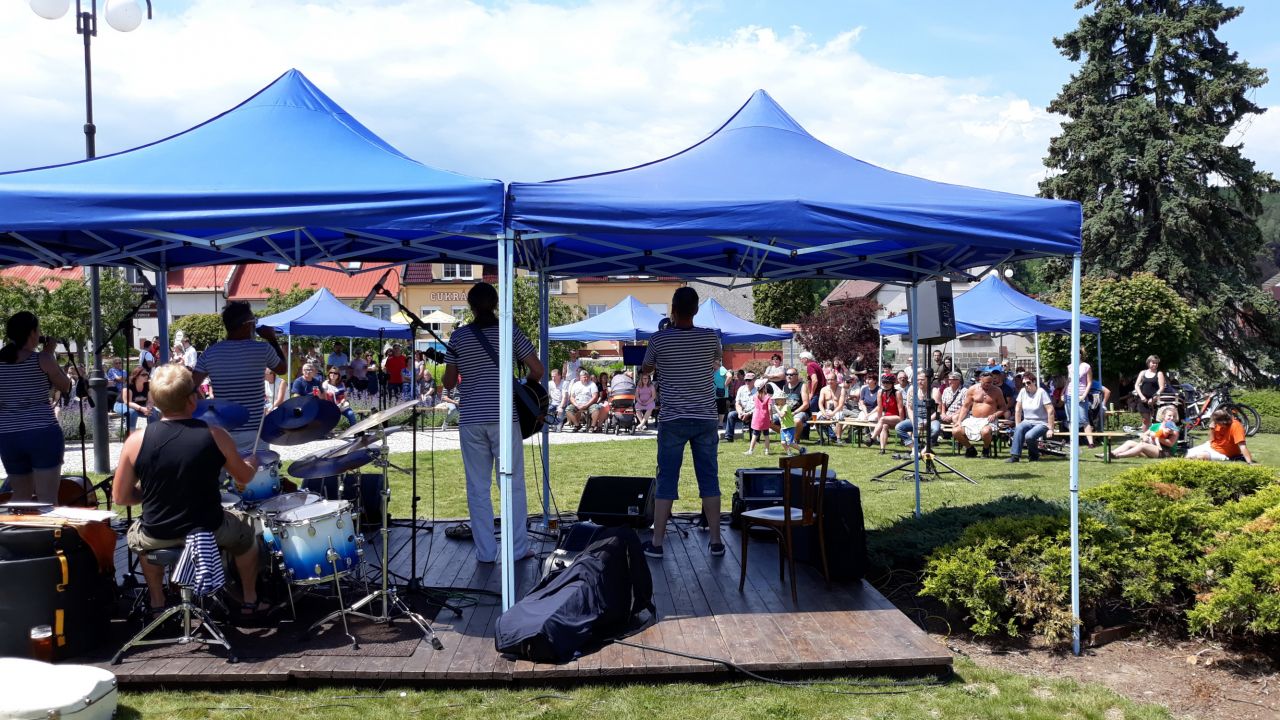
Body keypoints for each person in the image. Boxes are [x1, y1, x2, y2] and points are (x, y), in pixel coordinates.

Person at [112, 364, 269, 618]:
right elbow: (244, 477)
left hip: (157, 531)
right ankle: (249, 600)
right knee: (247, 534)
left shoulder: (135, 441)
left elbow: (120, 497)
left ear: (156, 402)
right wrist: (252, 462)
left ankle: (157, 604)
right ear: (192, 399)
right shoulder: (216, 435)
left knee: (142, 542)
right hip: (208, 528)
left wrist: (146, 493)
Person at [443, 282, 544, 564]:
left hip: (471, 418)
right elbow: (537, 369)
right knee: (511, 484)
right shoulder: (509, 331)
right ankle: (517, 549)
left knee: (477, 487)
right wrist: (523, 385)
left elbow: (449, 382)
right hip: (504, 417)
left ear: (470, 306)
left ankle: (486, 553)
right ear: (496, 303)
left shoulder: (458, 337)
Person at [640, 286, 724, 559]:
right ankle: (716, 541)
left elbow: (646, 369)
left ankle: (657, 543)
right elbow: (715, 363)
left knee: (666, 478)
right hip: (705, 416)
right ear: (697, 310)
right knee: (709, 478)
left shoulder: (658, 339)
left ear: (673, 310)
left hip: (673, 418)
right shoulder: (710, 337)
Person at [191, 301, 288, 455]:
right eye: (254, 321)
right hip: (256, 432)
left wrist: (207, 406)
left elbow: (189, 386)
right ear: (246, 324)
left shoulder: (210, 353)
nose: (254, 326)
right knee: (257, 470)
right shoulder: (262, 349)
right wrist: (272, 338)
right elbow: (283, 369)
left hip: (223, 431)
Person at [0, 312, 71, 503]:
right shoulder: (42, 359)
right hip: (42, 432)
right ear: (32, 333)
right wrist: (49, 352)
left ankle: (16, 524)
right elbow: (65, 386)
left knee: (20, 496)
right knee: (47, 498)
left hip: (8, 435)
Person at [953, 369, 1009, 458]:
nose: (988, 384)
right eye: (986, 383)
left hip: (989, 420)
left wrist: (995, 415)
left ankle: (985, 449)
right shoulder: (972, 389)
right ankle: (970, 449)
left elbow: (1004, 407)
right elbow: (965, 407)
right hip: (973, 419)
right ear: (980, 380)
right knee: (956, 431)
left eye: (990, 382)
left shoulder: (997, 391)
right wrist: (959, 421)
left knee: (985, 431)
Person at [1007, 371, 1055, 462]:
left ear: (1034, 382)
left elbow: (1050, 410)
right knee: (1019, 428)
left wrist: (1051, 429)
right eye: (1024, 384)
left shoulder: (1041, 392)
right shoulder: (1022, 392)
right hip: (1027, 421)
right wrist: (1017, 425)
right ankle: (1015, 456)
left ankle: (1034, 455)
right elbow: (1018, 409)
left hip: (1042, 423)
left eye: (1028, 382)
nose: (1026, 385)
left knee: (1029, 436)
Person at [1106, 405, 1179, 460]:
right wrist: (1144, 437)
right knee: (1129, 442)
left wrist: (1156, 436)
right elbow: (1144, 434)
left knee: (1142, 445)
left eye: (1174, 416)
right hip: (1151, 448)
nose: (1172, 418)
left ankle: (1119, 455)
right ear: (1163, 416)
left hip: (1165, 452)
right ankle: (1108, 454)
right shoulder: (1156, 426)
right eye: (1169, 415)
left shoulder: (1174, 429)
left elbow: (1170, 444)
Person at [1187, 408, 1255, 463]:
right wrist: (1212, 429)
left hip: (1223, 453)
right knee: (1188, 454)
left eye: (1216, 422)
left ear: (1222, 421)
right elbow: (1212, 440)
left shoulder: (1236, 426)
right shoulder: (1217, 424)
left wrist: (1250, 462)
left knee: (1200, 457)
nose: (1215, 423)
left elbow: (1242, 446)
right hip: (1211, 446)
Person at [896, 371, 941, 448]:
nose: (920, 382)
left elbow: (938, 411)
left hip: (931, 419)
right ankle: (913, 448)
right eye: (918, 380)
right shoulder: (912, 390)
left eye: (922, 379)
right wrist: (914, 421)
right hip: (916, 418)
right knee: (899, 427)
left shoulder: (934, 391)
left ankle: (927, 448)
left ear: (928, 380)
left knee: (936, 429)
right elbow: (909, 408)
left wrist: (927, 421)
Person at [869, 373, 904, 454]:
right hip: (886, 418)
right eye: (884, 382)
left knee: (882, 419)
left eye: (887, 383)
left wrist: (902, 422)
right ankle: (882, 449)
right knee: (884, 426)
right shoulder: (880, 392)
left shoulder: (897, 393)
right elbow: (880, 408)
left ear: (892, 383)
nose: (885, 384)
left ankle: (872, 438)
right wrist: (879, 422)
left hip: (898, 417)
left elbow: (901, 409)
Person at [115, 366, 154, 436]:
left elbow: (150, 401)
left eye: (147, 374)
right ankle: (131, 435)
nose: (146, 376)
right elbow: (127, 402)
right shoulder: (129, 385)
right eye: (143, 375)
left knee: (154, 412)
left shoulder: (148, 385)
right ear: (136, 376)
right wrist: (141, 408)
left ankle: (153, 434)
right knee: (132, 412)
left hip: (140, 406)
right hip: (121, 405)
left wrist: (149, 407)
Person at [1132, 355, 1166, 426]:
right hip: (1143, 400)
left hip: (1155, 401)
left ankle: (1154, 432)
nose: (1155, 364)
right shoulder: (1143, 373)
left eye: (1156, 363)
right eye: (1153, 363)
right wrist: (1141, 396)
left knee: (1155, 421)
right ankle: (1145, 433)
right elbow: (1136, 385)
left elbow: (1161, 388)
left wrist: (1154, 398)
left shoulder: (1159, 373)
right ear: (1148, 363)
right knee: (1145, 420)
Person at [779, 366, 811, 441]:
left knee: (796, 421)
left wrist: (794, 413)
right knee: (770, 420)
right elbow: (782, 403)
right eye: (787, 374)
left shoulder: (802, 386)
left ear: (797, 376)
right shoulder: (784, 387)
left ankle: (795, 439)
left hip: (800, 412)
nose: (788, 376)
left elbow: (806, 404)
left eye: (791, 374)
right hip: (787, 412)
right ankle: (787, 435)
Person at [724, 371, 756, 442]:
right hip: (743, 412)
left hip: (754, 413)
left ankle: (754, 438)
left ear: (754, 380)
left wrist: (748, 414)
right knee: (731, 414)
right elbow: (737, 403)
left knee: (755, 416)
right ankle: (729, 437)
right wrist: (740, 412)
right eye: (746, 380)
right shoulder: (741, 389)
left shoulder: (758, 390)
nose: (747, 382)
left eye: (749, 380)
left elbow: (758, 407)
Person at [744, 379, 773, 456]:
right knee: (766, 434)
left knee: (755, 434)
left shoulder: (755, 396)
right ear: (764, 387)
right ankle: (767, 451)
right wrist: (771, 417)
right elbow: (770, 408)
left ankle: (750, 450)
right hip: (765, 417)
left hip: (756, 417)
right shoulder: (768, 397)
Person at [816, 374, 845, 444]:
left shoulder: (841, 389)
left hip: (837, 410)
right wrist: (824, 413)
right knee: (817, 417)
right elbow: (820, 403)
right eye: (828, 380)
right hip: (826, 410)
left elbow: (841, 404)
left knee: (840, 416)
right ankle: (822, 438)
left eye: (832, 380)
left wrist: (833, 413)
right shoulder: (823, 389)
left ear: (836, 380)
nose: (830, 381)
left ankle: (838, 438)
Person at [713, 362, 731, 427]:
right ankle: (717, 423)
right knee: (716, 409)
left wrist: (725, 384)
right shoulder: (713, 371)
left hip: (721, 394)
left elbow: (729, 376)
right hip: (714, 394)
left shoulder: (722, 369)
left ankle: (720, 423)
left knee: (721, 408)